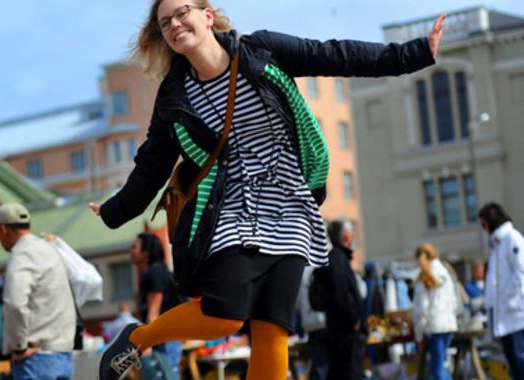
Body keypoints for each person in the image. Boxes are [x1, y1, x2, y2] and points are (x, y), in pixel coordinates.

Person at [88, 1, 447, 379]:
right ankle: (139, 337)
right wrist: (115, 210)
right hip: (231, 209)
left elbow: (334, 55)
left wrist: (413, 53)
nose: (175, 24)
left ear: (206, 15)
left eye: (182, 13)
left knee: (273, 331)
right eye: (165, 23)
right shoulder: (175, 95)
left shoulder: (261, 51)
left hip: (291, 206)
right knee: (224, 316)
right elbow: (152, 164)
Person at [0, 203, 77, 380]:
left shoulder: (22, 254)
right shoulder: (48, 248)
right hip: (62, 353)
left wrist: (19, 347)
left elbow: (14, 303)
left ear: (4, 229)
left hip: (36, 357)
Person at [479, 202, 524, 380]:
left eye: (483, 224)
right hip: (505, 316)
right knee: (512, 360)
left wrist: (508, 297)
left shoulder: (512, 238)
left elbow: (521, 270)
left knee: (521, 358)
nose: (483, 229)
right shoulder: (497, 247)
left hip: (517, 314)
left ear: (491, 221)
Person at [320, 218, 367, 380]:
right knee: (349, 372)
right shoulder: (338, 260)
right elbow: (342, 293)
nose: (353, 235)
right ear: (346, 236)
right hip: (344, 329)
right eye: (351, 231)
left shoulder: (336, 259)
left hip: (339, 327)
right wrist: (354, 318)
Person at [131, 232, 184, 376]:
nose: (131, 251)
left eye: (134, 247)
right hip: (164, 340)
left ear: (146, 253)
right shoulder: (154, 273)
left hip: (162, 342)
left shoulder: (154, 274)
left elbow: (153, 312)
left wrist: (147, 343)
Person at [412, 243, 458, 380]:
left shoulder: (425, 276)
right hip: (449, 325)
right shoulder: (445, 273)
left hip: (435, 326)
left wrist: (419, 334)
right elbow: (454, 300)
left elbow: (421, 309)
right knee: (441, 366)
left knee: (437, 369)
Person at [295, 266, 328, 380]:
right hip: (328, 321)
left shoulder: (301, 272)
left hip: (311, 324)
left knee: (320, 367)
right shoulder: (326, 266)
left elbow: (297, 303)